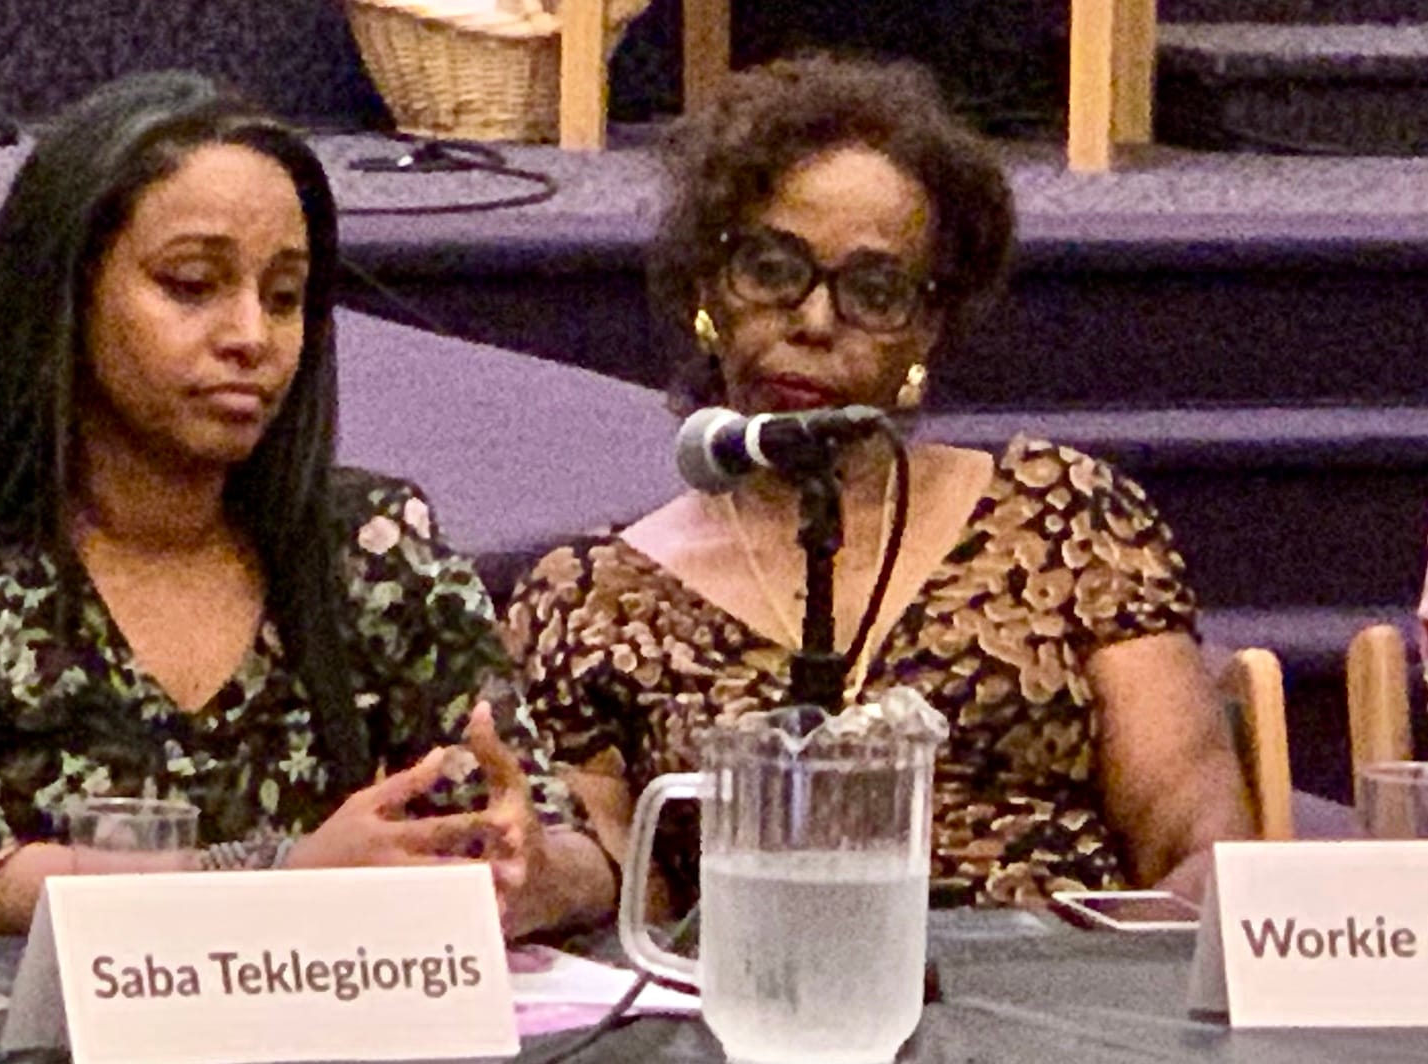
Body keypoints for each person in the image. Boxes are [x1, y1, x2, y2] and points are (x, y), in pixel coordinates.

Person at [0, 71, 614, 938]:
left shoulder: (374, 545)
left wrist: (533, 872)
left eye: (284, 298)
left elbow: (561, 842)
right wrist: (283, 878)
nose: (250, 337)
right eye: (192, 284)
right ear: (62, 293)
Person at [501, 55, 1254, 913]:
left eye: (873, 290)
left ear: (928, 325)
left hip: (1058, 975)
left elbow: (1193, 837)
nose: (815, 321)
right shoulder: (592, 598)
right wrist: (534, 876)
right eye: (772, 270)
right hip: (761, 987)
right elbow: (607, 883)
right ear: (708, 286)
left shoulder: (1064, 516)